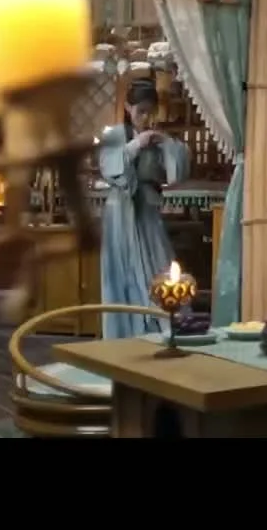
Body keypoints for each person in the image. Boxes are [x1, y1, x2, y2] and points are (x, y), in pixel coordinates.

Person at [98, 79, 190, 339]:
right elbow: (110, 168)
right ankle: (123, 334)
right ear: (128, 108)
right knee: (122, 272)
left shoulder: (157, 136)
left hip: (147, 210)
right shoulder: (115, 136)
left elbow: (176, 172)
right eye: (141, 111)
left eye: (151, 111)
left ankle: (162, 328)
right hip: (120, 213)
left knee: (158, 263)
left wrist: (165, 143)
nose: (146, 117)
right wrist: (136, 145)